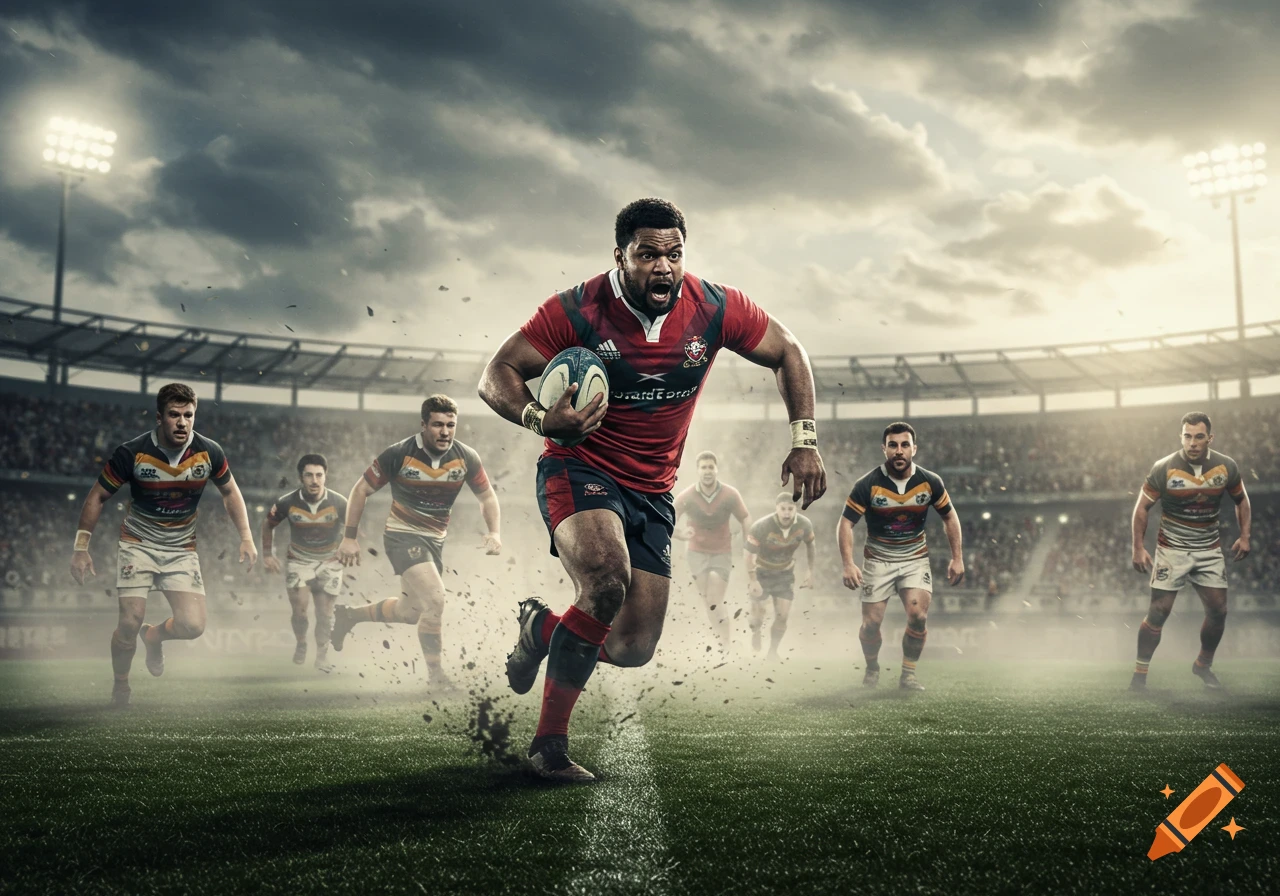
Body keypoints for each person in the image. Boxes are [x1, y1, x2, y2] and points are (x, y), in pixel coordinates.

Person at [478, 197, 826, 782]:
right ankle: (548, 747)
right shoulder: (578, 309)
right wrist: (542, 420)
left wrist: (805, 438)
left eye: (674, 254)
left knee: (632, 648)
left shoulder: (714, 308)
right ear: (620, 256)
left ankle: (539, 627)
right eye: (647, 255)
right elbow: (496, 375)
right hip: (579, 467)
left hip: (654, 491)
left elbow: (788, 351)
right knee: (605, 581)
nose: (663, 267)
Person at [69, 383, 257, 707]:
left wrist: (246, 537)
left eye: (188, 415)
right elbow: (97, 496)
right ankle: (121, 685)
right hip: (137, 544)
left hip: (181, 549)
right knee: (129, 621)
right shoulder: (132, 453)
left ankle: (154, 636)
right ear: (160, 417)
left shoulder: (209, 452)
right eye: (174, 415)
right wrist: (81, 547)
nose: (182, 422)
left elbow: (230, 492)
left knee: (193, 625)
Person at [330, 395, 501, 692]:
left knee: (412, 613)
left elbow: (487, 497)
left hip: (435, 541)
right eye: (437, 425)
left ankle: (350, 615)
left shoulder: (466, 458)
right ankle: (436, 679)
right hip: (402, 535)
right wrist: (349, 537)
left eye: (451, 425)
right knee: (436, 599)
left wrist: (494, 532)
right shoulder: (399, 454)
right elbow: (360, 490)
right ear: (423, 425)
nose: (445, 431)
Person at [837, 422, 963, 691]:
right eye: (893, 445)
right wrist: (848, 564)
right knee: (871, 624)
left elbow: (950, 516)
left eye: (905, 445)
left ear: (914, 449)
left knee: (918, 616)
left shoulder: (930, 482)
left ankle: (908, 675)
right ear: (884, 449)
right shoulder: (867, 484)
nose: (899, 451)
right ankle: (872, 668)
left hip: (914, 558)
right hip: (877, 560)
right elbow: (846, 523)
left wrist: (957, 557)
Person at [1130, 412, 1250, 690]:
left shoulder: (1226, 466)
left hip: (1208, 548)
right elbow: (1141, 508)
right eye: (1187, 436)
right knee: (1159, 611)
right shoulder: (1163, 467)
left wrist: (1245, 536)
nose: (1192, 442)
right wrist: (1138, 547)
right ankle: (1139, 677)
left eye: (1198, 436)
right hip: (1172, 548)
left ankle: (1202, 666)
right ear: (1180, 436)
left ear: (1210, 437)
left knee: (1219, 611)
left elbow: (1242, 500)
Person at [262, 453, 348, 671]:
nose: (314, 480)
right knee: (300, 612)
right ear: (301, 477)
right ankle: (301, 642)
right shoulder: (287, 502)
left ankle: (322, 657)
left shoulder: (339, 502)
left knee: (325, 614)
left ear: (325, 476)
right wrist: (267, 554)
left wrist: (351, 543)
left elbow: (354, 527)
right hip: (299, 560)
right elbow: (268, 525)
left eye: (319, 475)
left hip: (330, 561)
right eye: (309, 475)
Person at [673, 451, 750, 652]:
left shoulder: (730, 494)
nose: (707, 471)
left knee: (715, 597)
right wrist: (680, 534)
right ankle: (720, 638)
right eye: (704, 467)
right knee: (708, 600)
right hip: (696, 553)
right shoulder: (687, 495)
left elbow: (745, 517)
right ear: (698, 471)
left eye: (711, 467)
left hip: (721, 551)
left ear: (716, 470)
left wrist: (747, 543)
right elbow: (668, 518)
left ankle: (726, 643)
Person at [744, 493, 816, 661]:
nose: (786, 513)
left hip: (785, 574)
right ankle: (756, 632)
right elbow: (748, 554)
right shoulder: (761, 526)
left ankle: (772, 652)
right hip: (762, 572)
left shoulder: (804, 524)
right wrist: (753, 580)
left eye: (790, 509)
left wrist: (810, 571)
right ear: (776, 508)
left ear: (795, 509)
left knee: (783, 616)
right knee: (757, 617)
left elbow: (811, 545)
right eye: (783, 509)